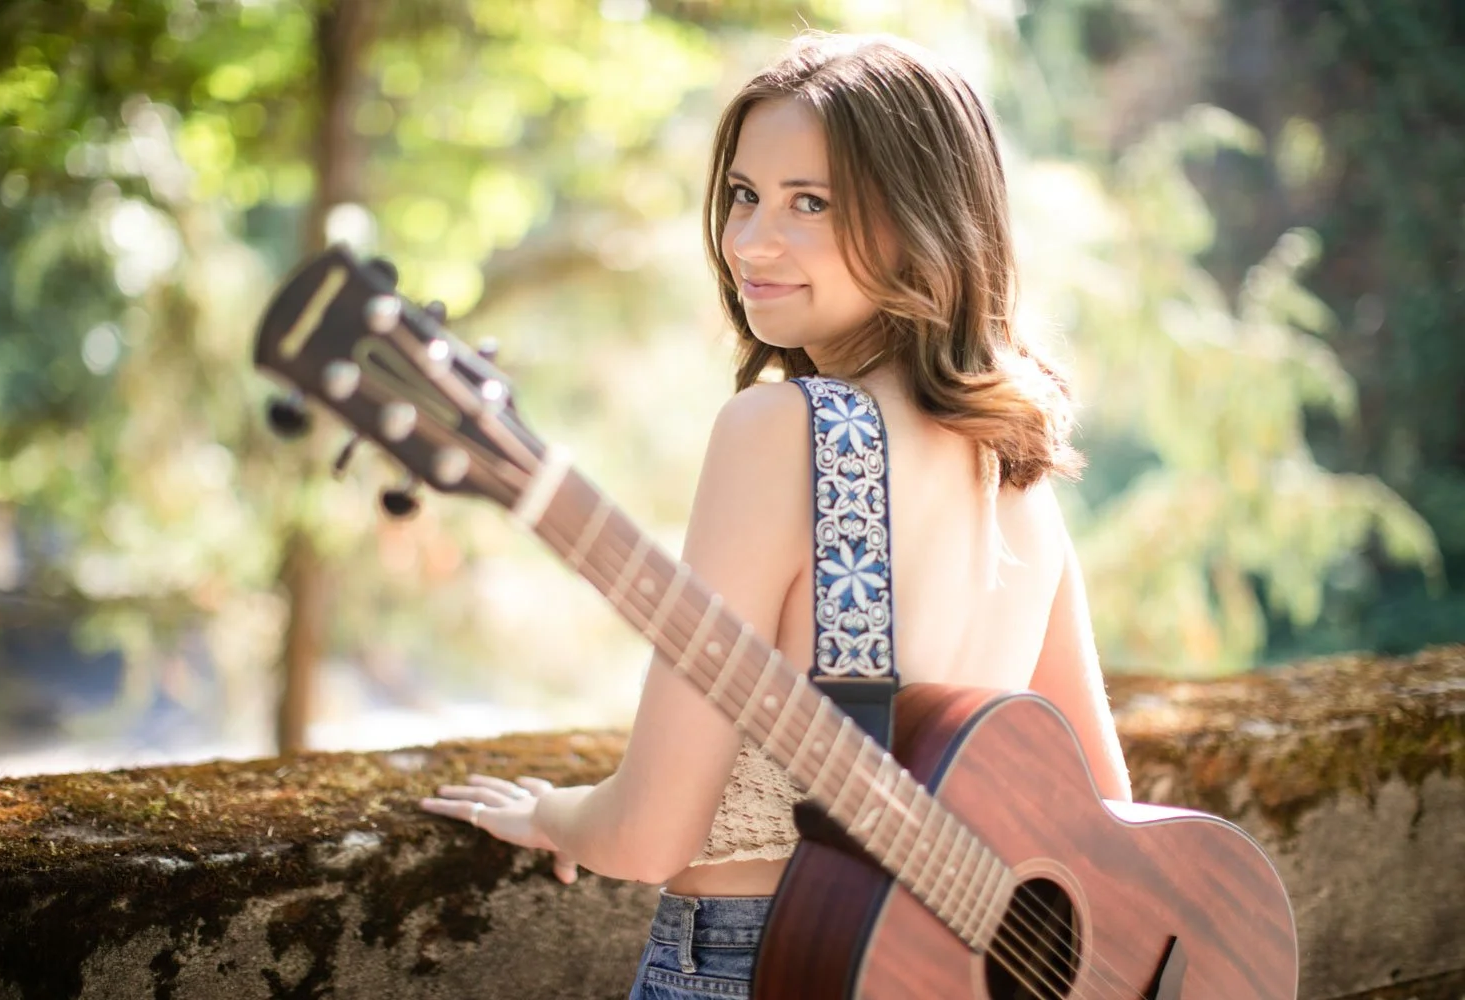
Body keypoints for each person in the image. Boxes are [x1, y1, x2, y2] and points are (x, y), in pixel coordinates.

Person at [420, 30, 1133, 999]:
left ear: (925, 220)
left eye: (811, 204)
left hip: (747, 965)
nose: (751, 242)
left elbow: (645, 833)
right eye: (745, 195)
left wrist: (552, 813)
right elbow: (1103, 817)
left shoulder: (778, 429)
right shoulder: (1016, 469)